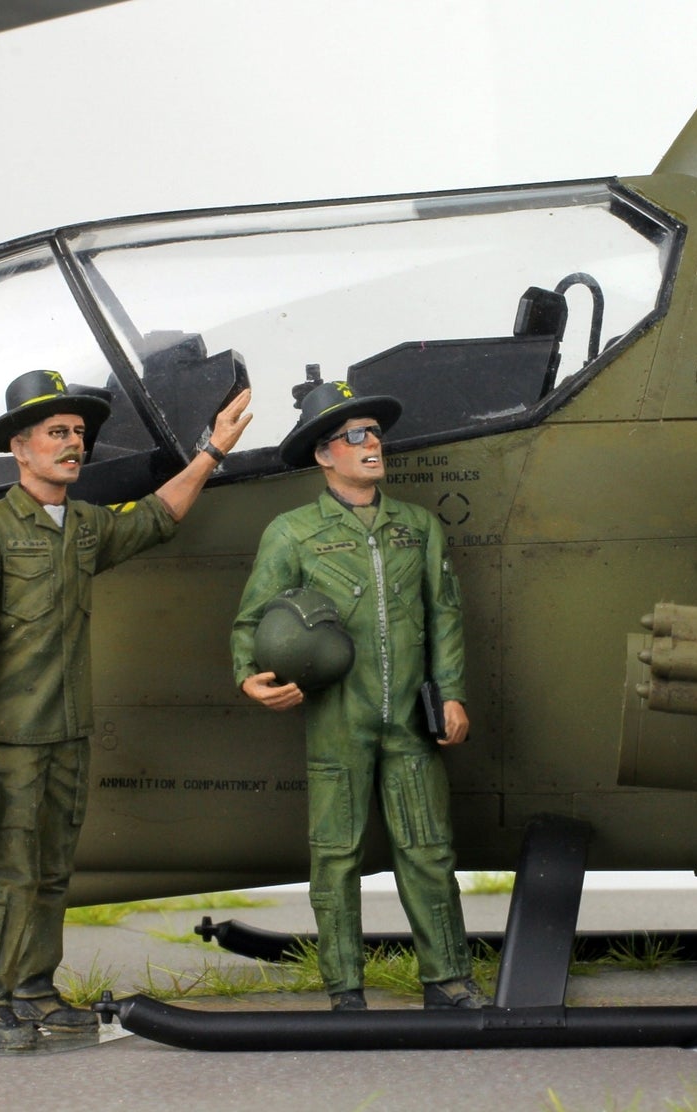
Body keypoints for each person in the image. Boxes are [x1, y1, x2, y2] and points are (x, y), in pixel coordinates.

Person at [0, 369, 252, 1050]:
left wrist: (213, 452)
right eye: (56, 432)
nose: (72, 444)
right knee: (6, 871)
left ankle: (34, 990)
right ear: (20, 447)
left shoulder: (84, 526)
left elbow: (158, 517)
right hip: (9, 739)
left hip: (68, 733)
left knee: (53, 870)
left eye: (78, 433)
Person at [231, 381, 487, 1012]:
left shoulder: (416, 527)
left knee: (428, 849)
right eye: (354, 435)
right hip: (337, 718)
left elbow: (444, 616)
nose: (372, 443)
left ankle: (448, 979)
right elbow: (253, 619)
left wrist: (452, 694)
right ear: (324, 454)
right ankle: (344, 988)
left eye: (374, 433)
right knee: (335, 855)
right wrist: (248, 673)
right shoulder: (293, 532)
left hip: (410, 717)